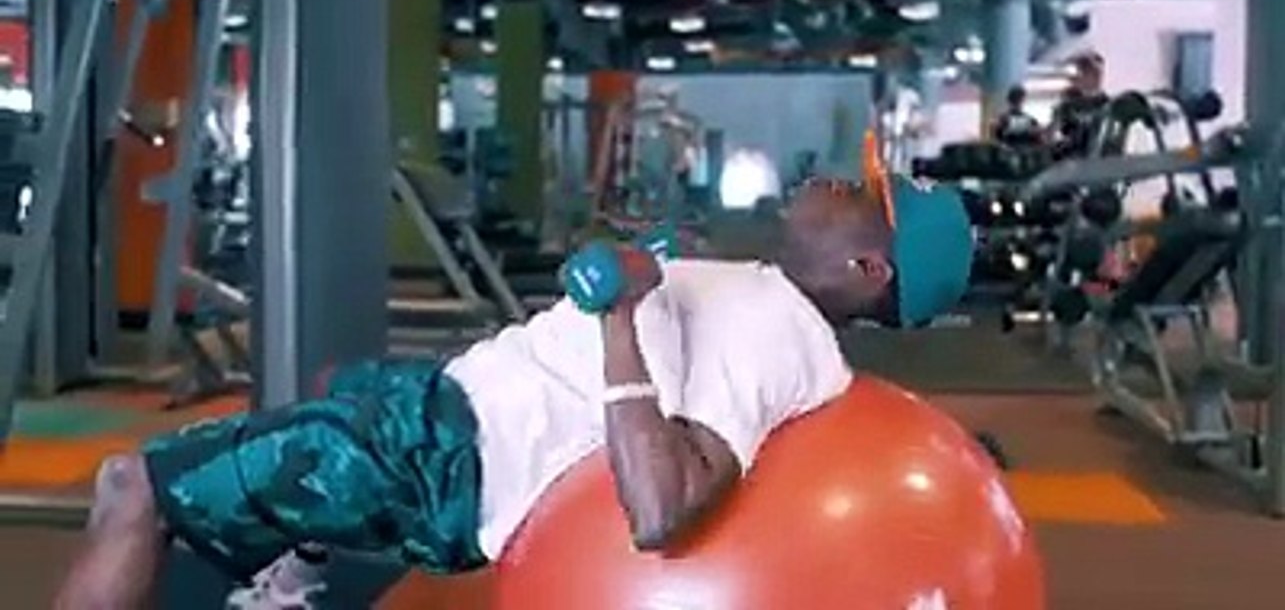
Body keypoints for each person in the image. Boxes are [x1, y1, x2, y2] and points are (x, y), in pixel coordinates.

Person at [54, 166, 973, 610]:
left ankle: (295, 562)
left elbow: (662, 509)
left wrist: (620, 315)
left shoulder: (780, 335)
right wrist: (655, 272)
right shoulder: (768, 303)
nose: (844, 179)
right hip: (442, 417)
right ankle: (298, 566)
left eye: (866, 196)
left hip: (444, 458)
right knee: (333, 394)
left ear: (867, 268)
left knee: (131, 486)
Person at [1050, 51, 1111, 157]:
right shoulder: (1066, 106)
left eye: (1098, 74)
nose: (1097, 78)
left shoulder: (1107, 104)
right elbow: (1057, 135)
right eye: (1090, 73)